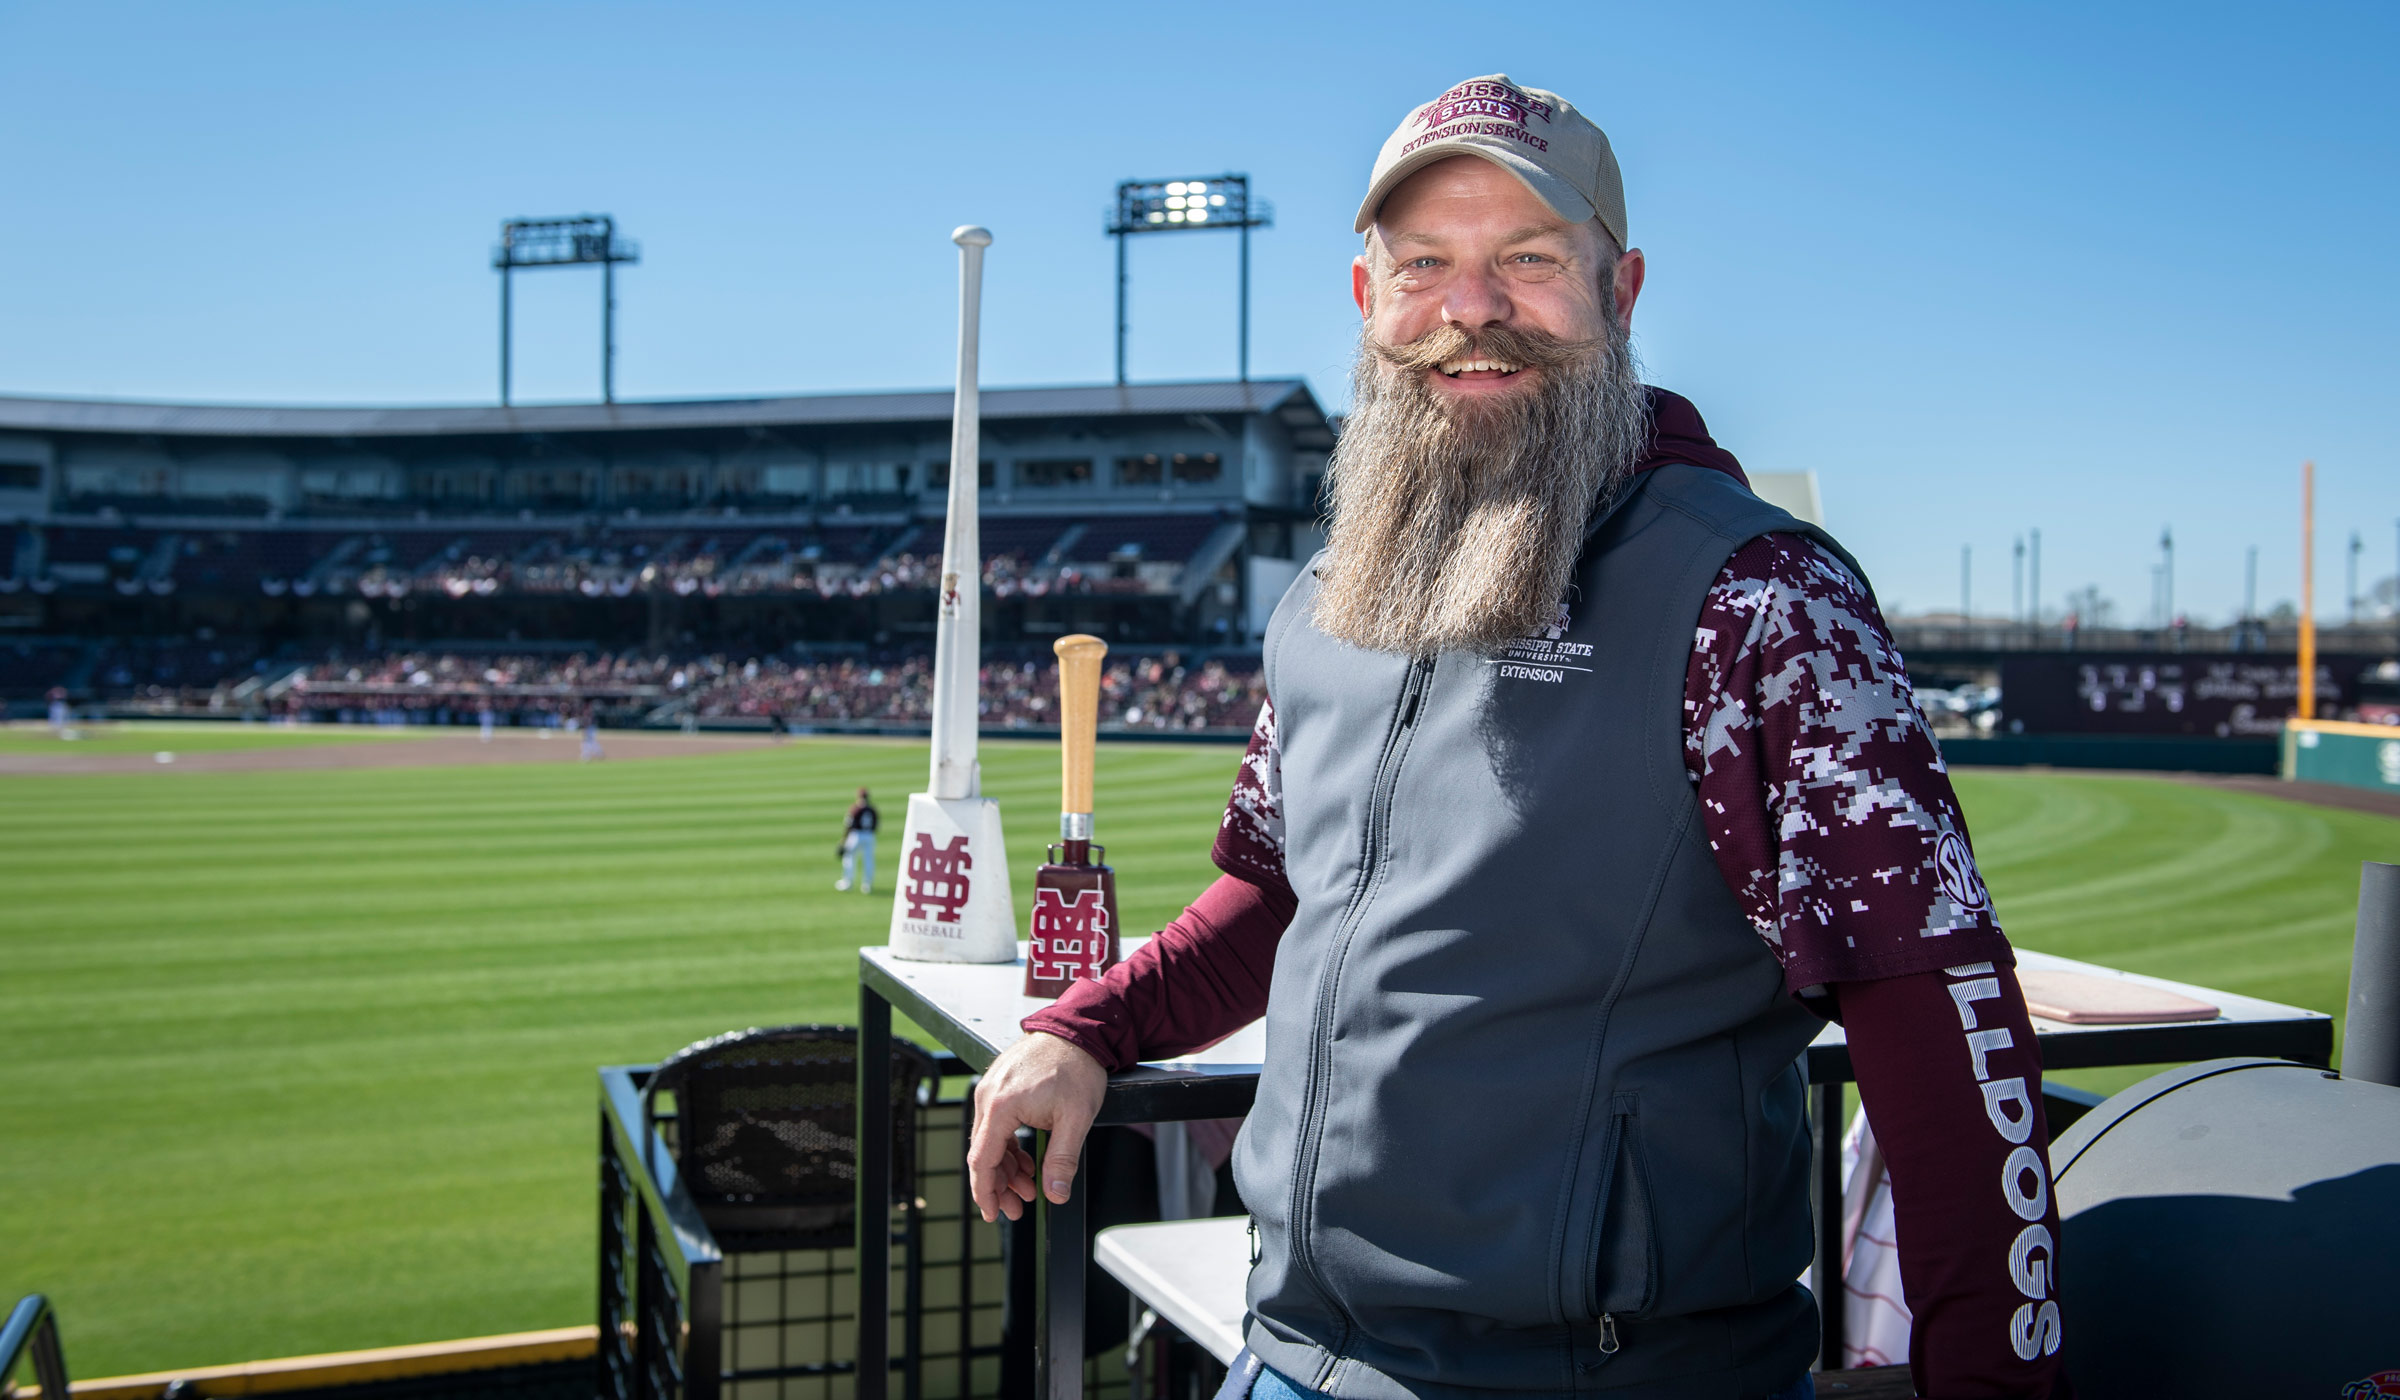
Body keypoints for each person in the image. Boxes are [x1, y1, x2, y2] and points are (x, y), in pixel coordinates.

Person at [969, 75, 2066, 1400]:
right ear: (1369, 301)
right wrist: (1088, 1027)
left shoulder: (1760, 597)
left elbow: (1933, 1013)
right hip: (1294, 1351)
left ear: (1623, 290)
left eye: (1528, 260)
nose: (1471, 309)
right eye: (1425, 264)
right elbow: (1275, 899)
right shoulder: (1332, 593)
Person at [837, 787, 878, 893]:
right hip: (869, 835)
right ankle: (867, 885)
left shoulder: (855, 808)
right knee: (868, 860)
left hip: (856, 835)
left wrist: (844, 839)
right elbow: (876, 825)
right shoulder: (872, 809)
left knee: (849, 857)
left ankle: (847, 882)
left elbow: (848, 824)